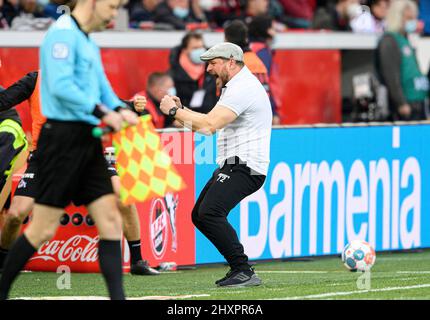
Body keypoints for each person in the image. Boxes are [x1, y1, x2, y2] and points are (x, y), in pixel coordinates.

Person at [0, 0, 139, 300]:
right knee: (41, 230)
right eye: (113, 7)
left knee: (111, 221)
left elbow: (102, 87)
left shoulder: (87, 39)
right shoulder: (61, 34)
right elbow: (62, 86)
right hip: (61, 142)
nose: (115, 14)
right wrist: (105, 113)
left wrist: (120, 109)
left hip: (87, 141)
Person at [0, 71, 159, 276]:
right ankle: (3, 262)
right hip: (45, 159)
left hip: (86, 156)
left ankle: (137, 260)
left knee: (123, 196)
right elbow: (4, 100)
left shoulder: (86, 77)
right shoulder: (35, 79)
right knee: (15, 215)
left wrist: (133, 106)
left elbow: (113, 103)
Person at [160, 42, 272, 287]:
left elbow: (208, 126)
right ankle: (239, 269)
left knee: (209, 213)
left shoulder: (242, 87)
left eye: (213, 63)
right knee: (200, 215)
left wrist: (173, 112)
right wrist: (179, 111)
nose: (208, 69)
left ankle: (243, 270)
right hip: (235, 165)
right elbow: (206, 122)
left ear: (231, 61)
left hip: (244, 165)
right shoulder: (236, 85)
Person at [375, 0, 429, 121]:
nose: (413, 22)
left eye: (414, 18)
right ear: (397, 17)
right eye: (409, 18)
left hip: (418, 102)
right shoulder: (389, 41)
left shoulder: (406, 40)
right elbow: (391, 75)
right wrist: (401, 103)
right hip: (405, 106)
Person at [225, 20, 279, 124]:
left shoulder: (232, 63)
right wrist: (273, 111)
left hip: (239, 117)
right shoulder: (258, 56)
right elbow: (265, 87)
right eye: (272, 28)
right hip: (256, 115)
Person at [169, 31, 217, 114]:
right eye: (195, 48)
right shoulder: (173, 74)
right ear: (185, 50)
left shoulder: (211, 70)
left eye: (201, 47)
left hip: (208, 120)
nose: (200, 51)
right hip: (184, 122)